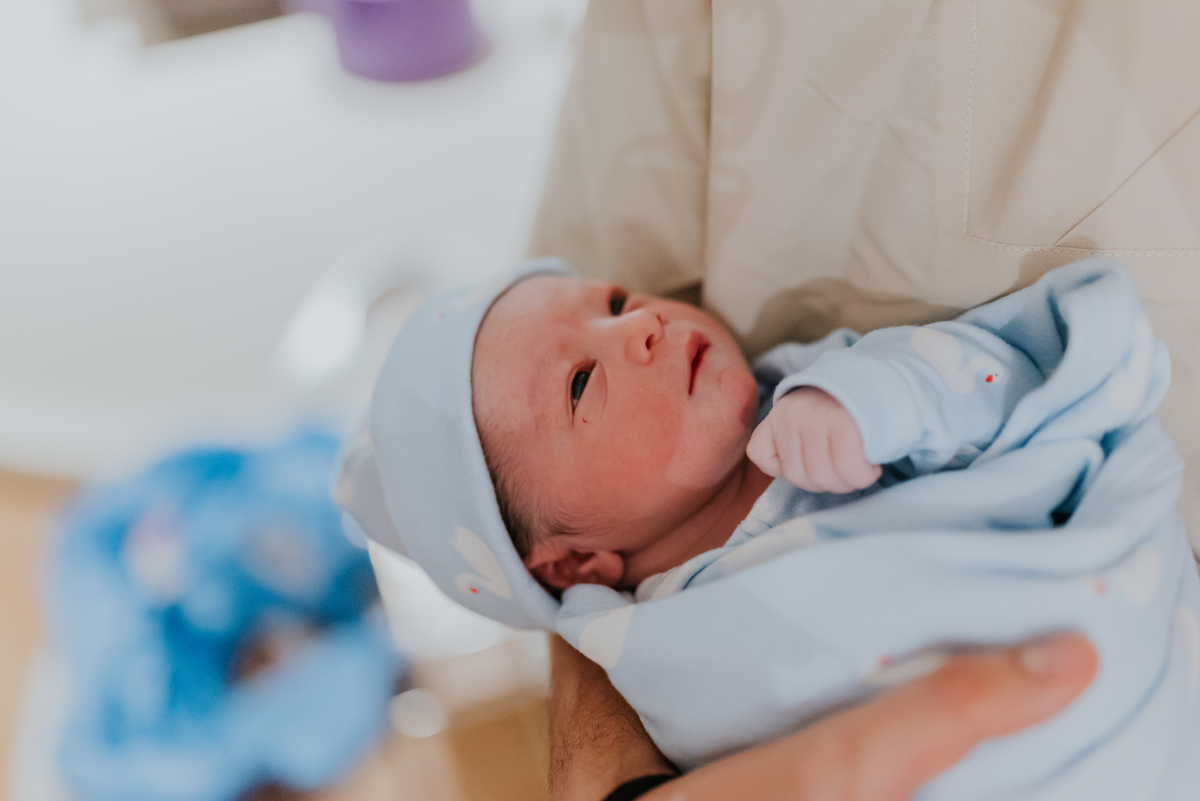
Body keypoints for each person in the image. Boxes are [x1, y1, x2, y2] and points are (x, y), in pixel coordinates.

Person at [338, 256, 1200, 798]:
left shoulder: (827, 383)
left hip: (1125, 669)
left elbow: (1001, 377)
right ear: (575, 561)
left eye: (609, 298)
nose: (640, 324)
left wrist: (874, 400)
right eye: (578, 384)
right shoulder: (662, 661)